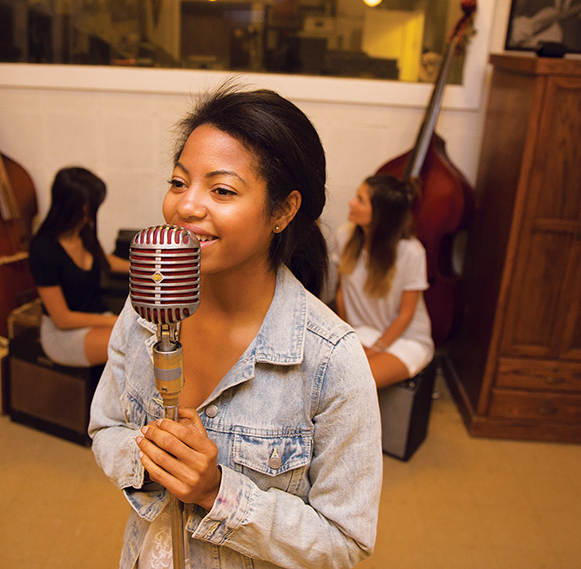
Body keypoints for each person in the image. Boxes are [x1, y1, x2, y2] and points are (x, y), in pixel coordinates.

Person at [88, 86, 382, 569]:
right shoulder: (148, 306)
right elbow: (105, 428)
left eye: (222, 190)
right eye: (179, 182)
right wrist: (146, 459)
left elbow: (343, 543)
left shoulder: (332, 360)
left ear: (284, 211)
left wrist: (217, 491)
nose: (186, 207)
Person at [335, 174, 434, 389]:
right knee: (327, 375)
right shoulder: (344, 237)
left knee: (354, 382)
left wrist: (374, 351)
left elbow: (406, 314)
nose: (351, 202)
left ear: (381, 213)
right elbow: (342, 294)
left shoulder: (411, 252)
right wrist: (347, 338)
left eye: (360, 199)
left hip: (405, 340)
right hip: (361, 331)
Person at [28, 166, 129, 367]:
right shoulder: (43, 249)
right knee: (133, 343)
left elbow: (104, 261)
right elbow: (63, 319)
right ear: (78, 206)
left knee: (142, 336)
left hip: (97, 318)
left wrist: (149, 266)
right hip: (63, 334)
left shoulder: (83, 232)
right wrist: (116, 321)